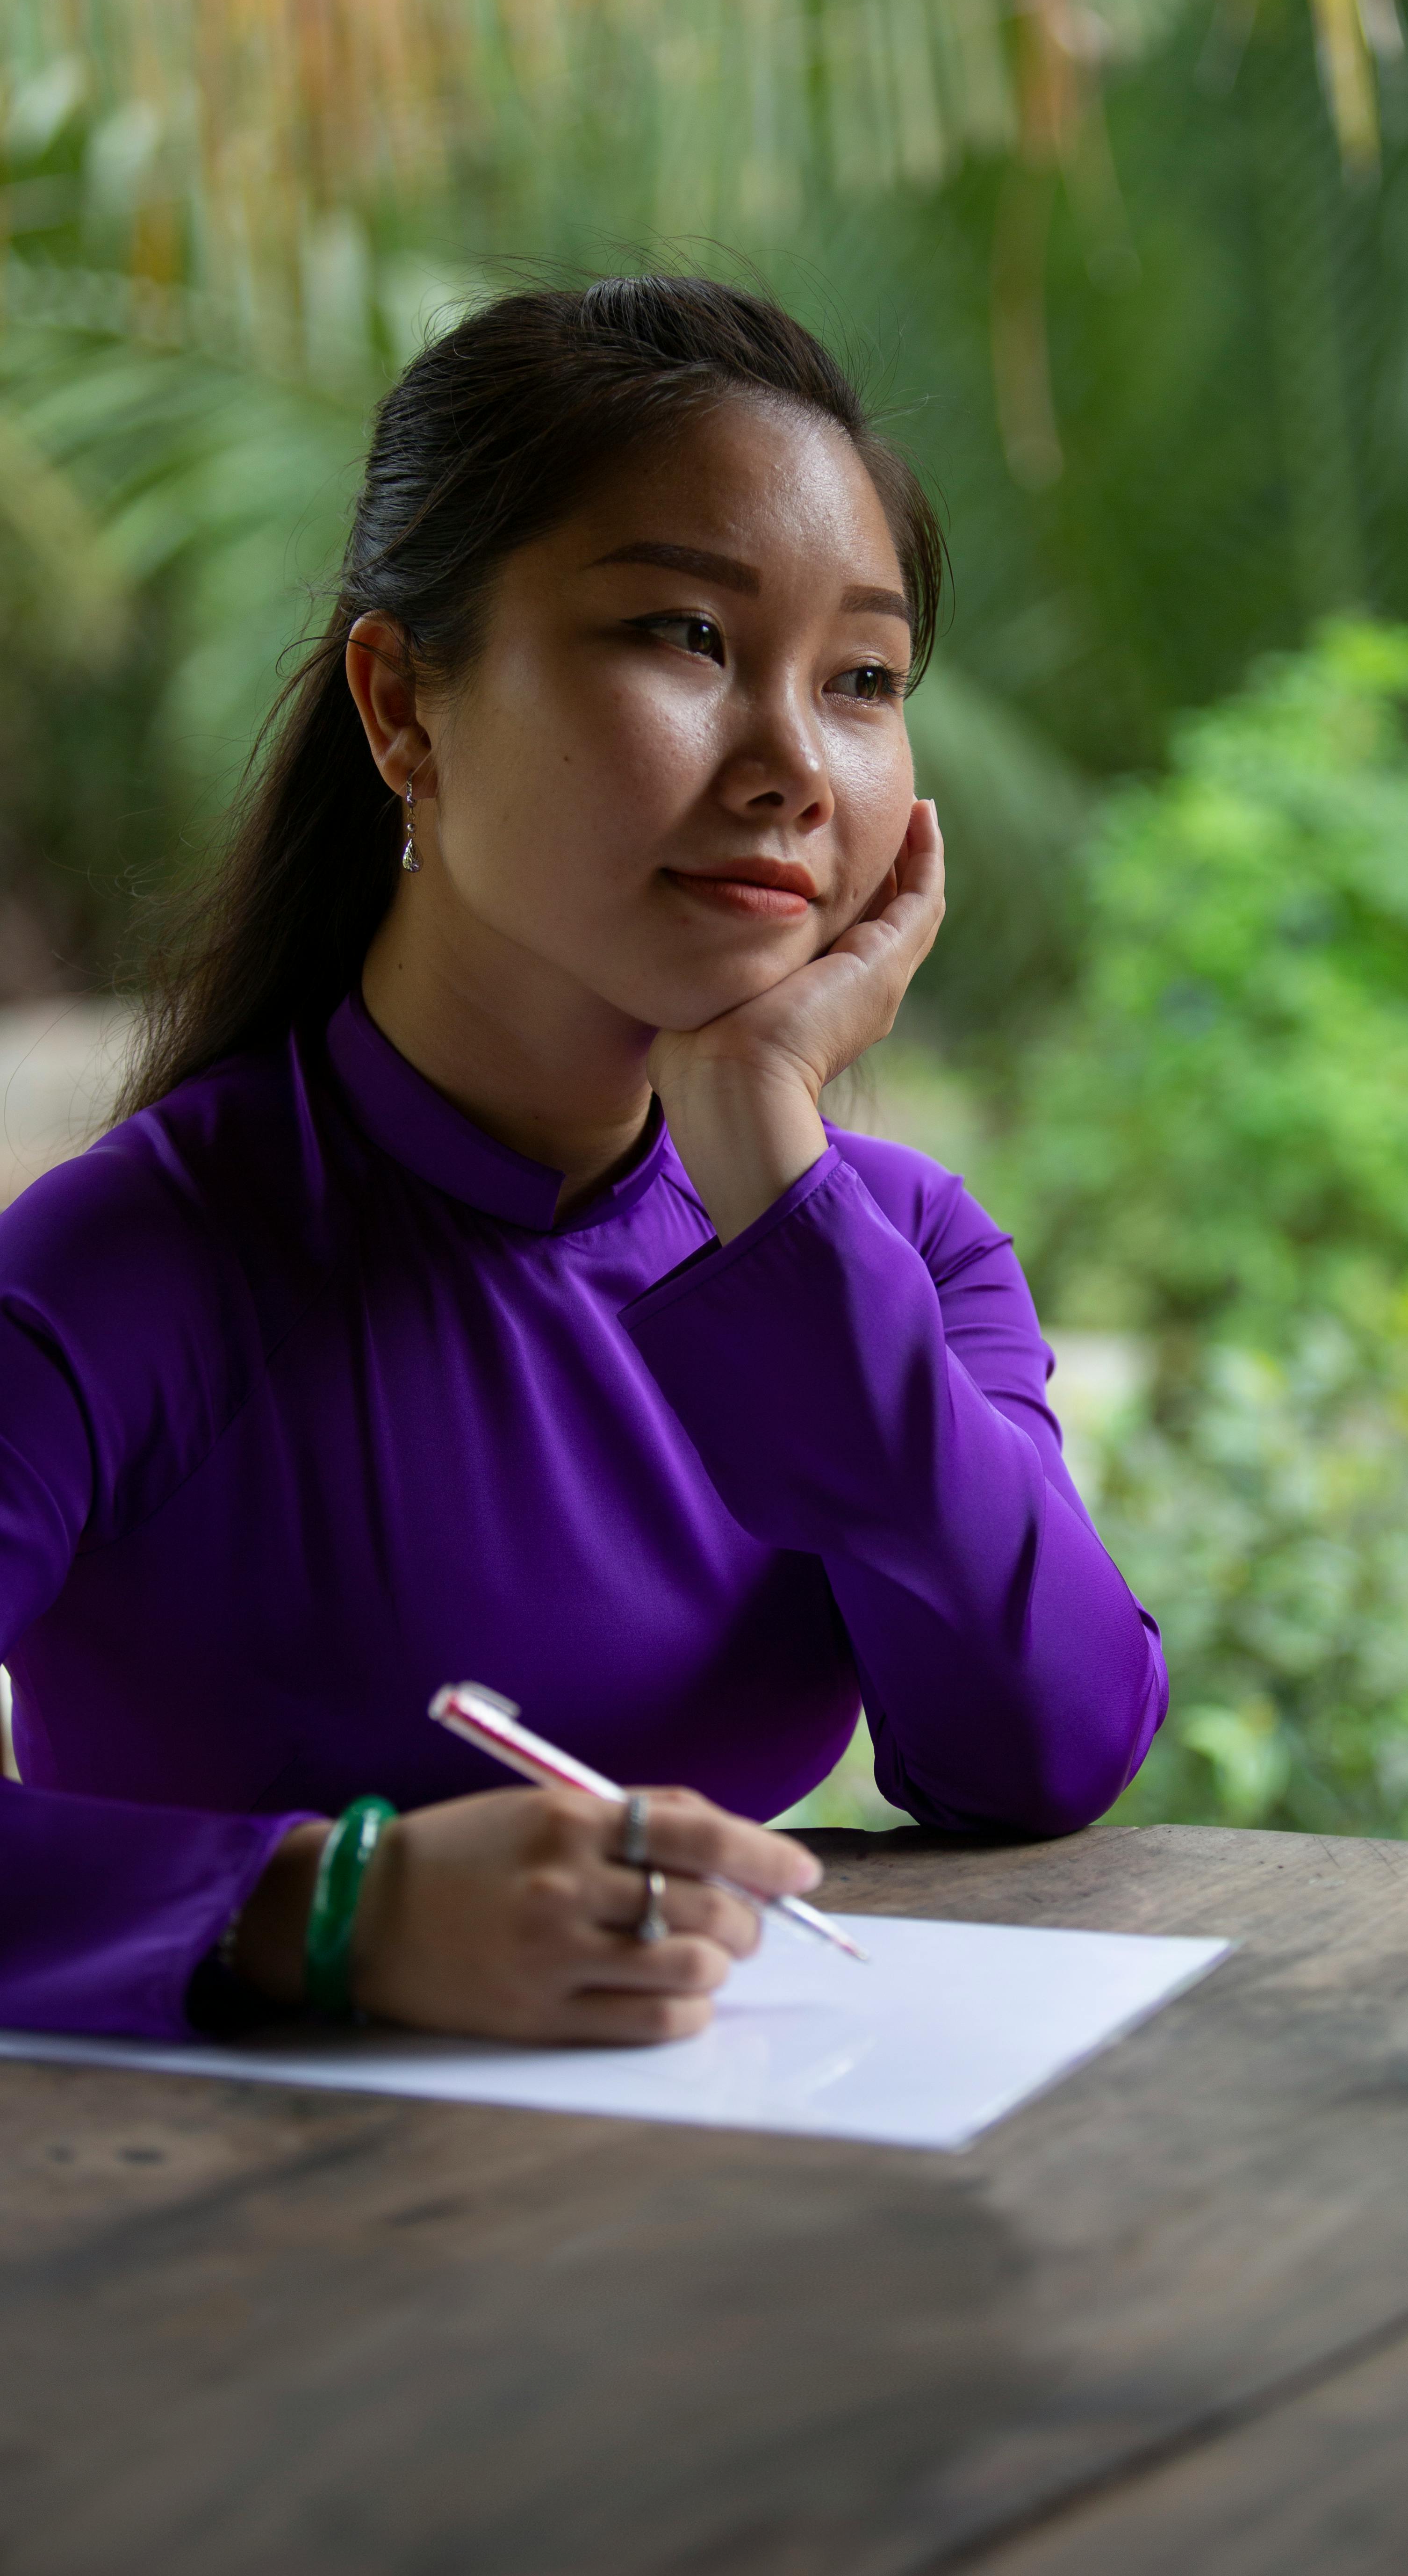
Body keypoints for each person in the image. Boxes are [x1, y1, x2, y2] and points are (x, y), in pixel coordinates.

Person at [0, 277, 1166, 2047]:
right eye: (684, 639)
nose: (790, 765)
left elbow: (1039, 1754)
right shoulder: (124, 1278)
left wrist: (775, 1169)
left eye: (862, 678)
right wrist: (335, 1911)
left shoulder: (898, 1255)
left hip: (735, 2221)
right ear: (402, 708)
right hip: (213, 2263)